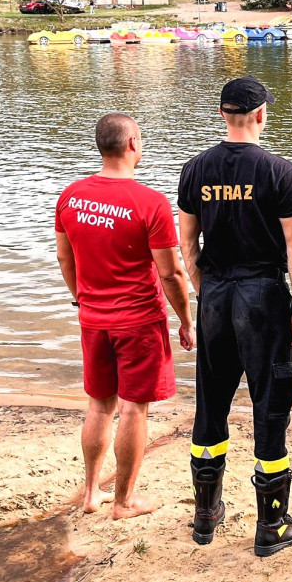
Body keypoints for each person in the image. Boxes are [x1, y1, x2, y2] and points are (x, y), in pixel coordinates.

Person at [177, 75, 292, 557]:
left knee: (210, 405)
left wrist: (204, 290)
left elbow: (186, 245)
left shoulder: (195, 170)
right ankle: (272, 526)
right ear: (259, 115)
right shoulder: (280, 171)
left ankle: (205, 516)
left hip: (215, 295)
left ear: (222, 114)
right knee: (270, 404)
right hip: (262, 297)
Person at [55, 113, 195, 520]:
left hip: (93, 319)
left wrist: (82, 299)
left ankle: (90, 494)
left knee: (99, 405)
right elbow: (170, 272)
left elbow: (66, 258)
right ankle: (124, 502)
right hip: (138, 321)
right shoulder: (149, 202)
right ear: (132, 143)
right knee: (134, 408)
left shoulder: (71, 196)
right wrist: (185, 319)